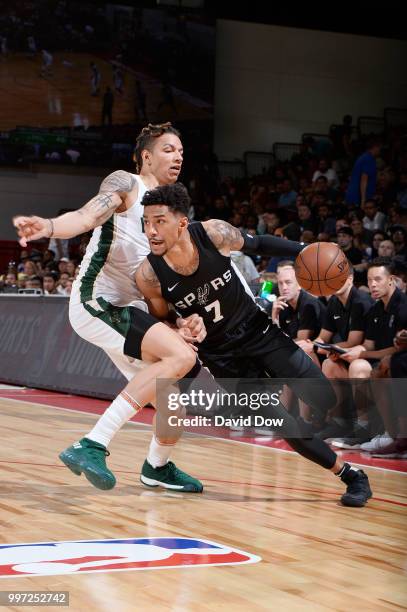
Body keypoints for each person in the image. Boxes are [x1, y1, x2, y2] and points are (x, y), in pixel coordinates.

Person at [135, 182, 373, 507]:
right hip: (223, 359)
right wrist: (180, 326)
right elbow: (162, 320)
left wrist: (306, 250)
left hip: (258, 332)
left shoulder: (212, 234)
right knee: (287, 425)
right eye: (146, 222)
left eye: (159, 221)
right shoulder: (149, 274)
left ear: (180, 222)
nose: (151, 230)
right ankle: (351, 475)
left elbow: (259, 242)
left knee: (324, 396)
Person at [13, 122, 206, 493]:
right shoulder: (126, 184)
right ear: (146, 156)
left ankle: (157, 467)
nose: (178, 156)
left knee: (173, 402)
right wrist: (49, 226)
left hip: (134, 309)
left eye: (181, 151)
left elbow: (164, 280)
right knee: (180, 357)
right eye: (169, 149)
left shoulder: (173, 211)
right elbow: (85, 217)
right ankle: (92, 443)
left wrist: (183, 319)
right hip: (95, 299)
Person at [345, 137, 381, 208]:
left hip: (356, 195)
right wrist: (363, 200)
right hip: (358, 197)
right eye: (379, 147)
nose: (380, 150)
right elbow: (363, 180)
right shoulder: (368, 159)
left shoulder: (364, 157)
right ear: (375, 147)